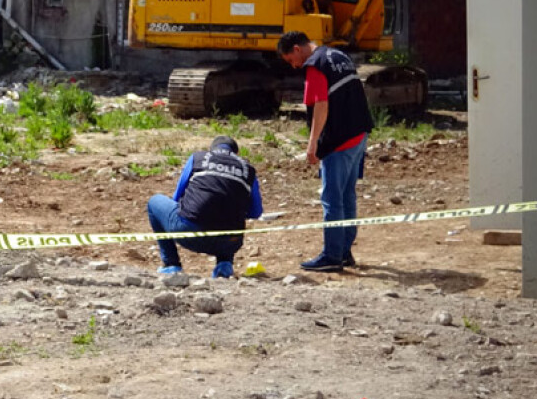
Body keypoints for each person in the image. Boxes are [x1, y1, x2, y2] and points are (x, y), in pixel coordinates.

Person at [277, 31, 374, 272]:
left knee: (332, 198)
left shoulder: (315, 65)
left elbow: (321, 104)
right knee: (347, 195)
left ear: (298, 50)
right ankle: (344, 251)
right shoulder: (339, 56)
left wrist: (313, 144)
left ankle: (332, 255)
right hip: (359, 132)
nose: (294, 65)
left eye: (291, 59)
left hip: (339, 139)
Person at [146, 136, 263, 278]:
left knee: (154, 202)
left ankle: (171, 264)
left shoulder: (198, 158)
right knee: (229, 208)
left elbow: (177, 197)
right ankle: (224, 264)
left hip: (188, 233)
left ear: (212, 149)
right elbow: (256, 212)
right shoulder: (248, 170)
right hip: (230, 242)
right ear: (236, 153)